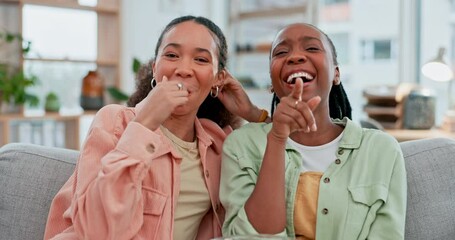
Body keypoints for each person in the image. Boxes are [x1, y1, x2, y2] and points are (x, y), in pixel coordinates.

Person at [44, 15, 268, 240]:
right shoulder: (115, 122)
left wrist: (254, 114)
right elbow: (96, 232)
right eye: (171, 55)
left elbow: (289, 161)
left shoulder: (218, 144)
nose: (184, 69)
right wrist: (145, 123)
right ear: (155, 68)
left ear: (218, 78)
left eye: (200, 59)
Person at [220, 23, 407, 239]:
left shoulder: (381, 150)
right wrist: (277, 138)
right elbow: (250, 236)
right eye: (281, 52)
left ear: (336, 74)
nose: (295, 57)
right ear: (271, 82)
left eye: (312, 48)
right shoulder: (241, 145)